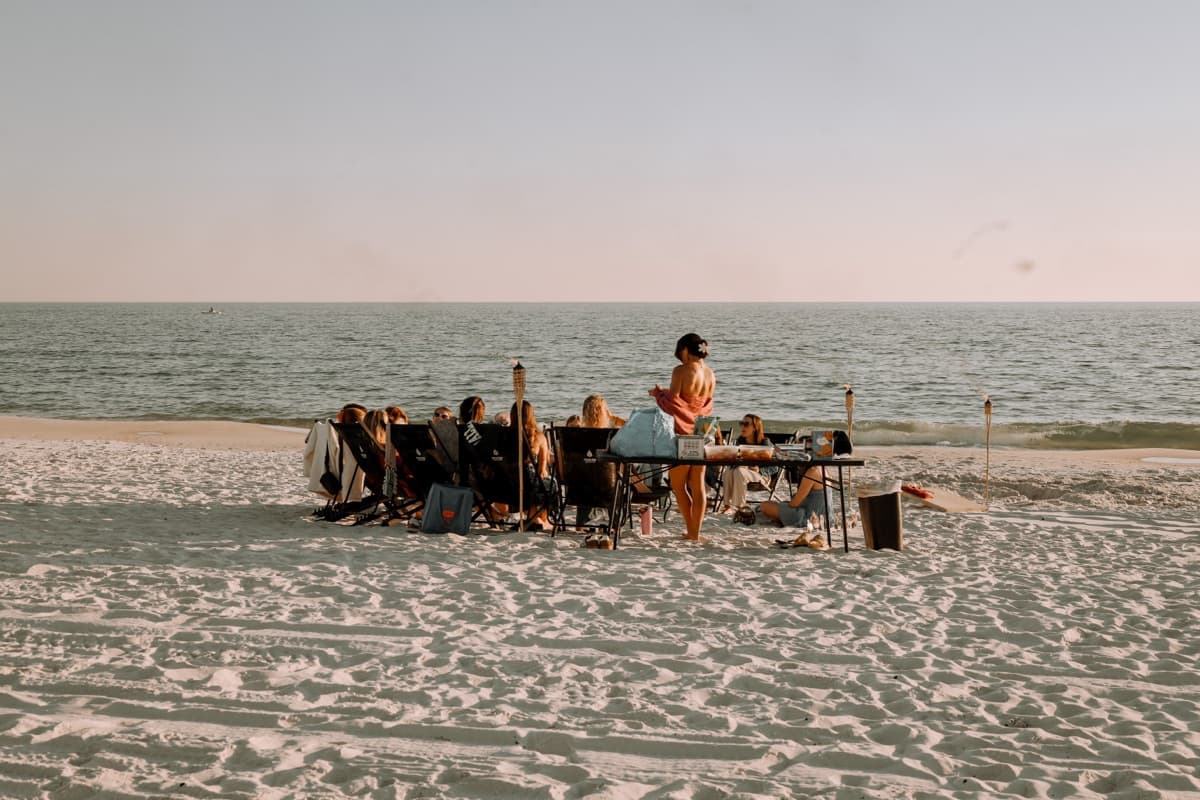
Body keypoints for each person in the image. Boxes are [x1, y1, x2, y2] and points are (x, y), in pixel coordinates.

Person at [649, 333, 715, 541]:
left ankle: (692, 533)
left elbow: (674, 405)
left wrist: (659, 395)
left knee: (678, 485)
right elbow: (699, 404)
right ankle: (694, 532)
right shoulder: (711, 374)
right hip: (702, 432)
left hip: (683, 434)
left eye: (680, 353)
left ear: (686, 350)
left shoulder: (680, 371)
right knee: (698, 485)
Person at [718, 414, 775, 513]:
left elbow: (775, 467)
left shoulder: (764, 443)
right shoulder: (740, 442)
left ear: (755, 427)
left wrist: (760, 469)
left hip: (762, 476)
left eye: (746, 424)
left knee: (739, 471)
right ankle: (727, 506)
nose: (743, 427)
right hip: (741, 474)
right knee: (729, 470)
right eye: (741, 424)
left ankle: (740, 507)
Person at [512, 400, 553, 530]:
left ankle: (534, 518)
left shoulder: (502, 436)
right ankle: (539, 519)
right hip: (528, 485)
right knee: (551, 483)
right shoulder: (539, 438)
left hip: (507, 485)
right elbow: (542, 471)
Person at [759, 465, 829, 531]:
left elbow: (794, 504)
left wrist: (786, 504)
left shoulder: (812, 472)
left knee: (765, 506)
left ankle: (783, 520)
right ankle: (782, 519)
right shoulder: (824, 470)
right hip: (826, 518)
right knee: (781, 505)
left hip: (809, 518)